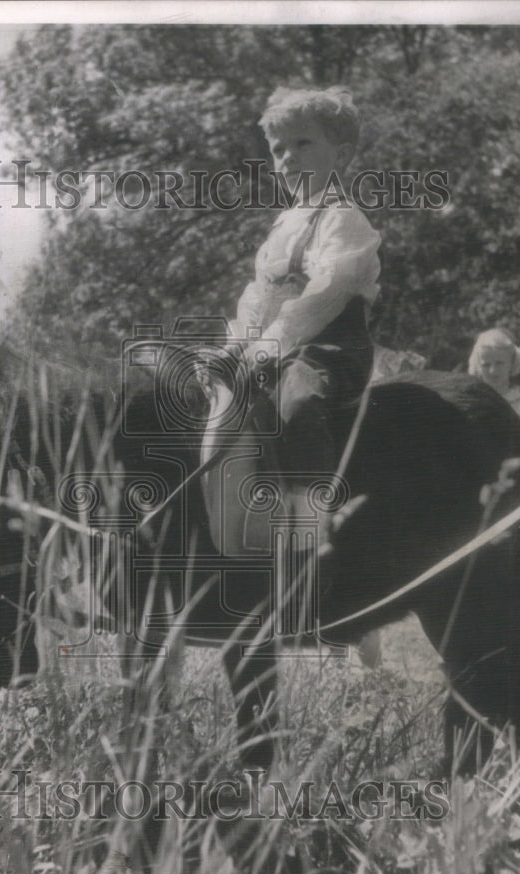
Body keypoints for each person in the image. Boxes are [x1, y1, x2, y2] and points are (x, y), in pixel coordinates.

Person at [201, 86, 381, 557]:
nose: (287, 159)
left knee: (297, 404)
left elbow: (324, 296)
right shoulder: (285, 225)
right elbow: (257, 298)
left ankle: (318, 529)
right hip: (277, 349)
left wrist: (267, 348)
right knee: (216, 401)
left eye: (303, 144)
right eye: (278, 150)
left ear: (339, 154)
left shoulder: (343, 218)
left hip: (328, 349)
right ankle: (233, 522)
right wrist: (234, 346)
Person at [468, 327, 520, 445]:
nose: (493, 371)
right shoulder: (470, 404)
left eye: (500, 363)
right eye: (486, 365)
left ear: (512, 363)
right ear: (478, 367)